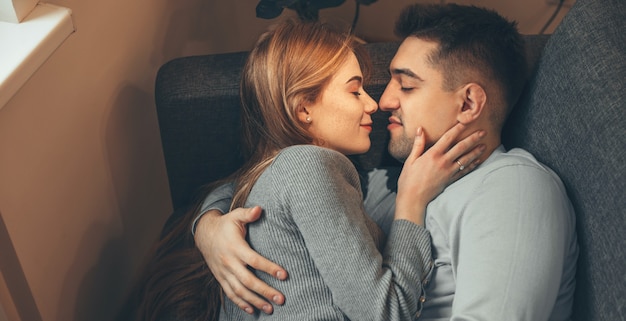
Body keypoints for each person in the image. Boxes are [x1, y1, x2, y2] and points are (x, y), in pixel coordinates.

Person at [195, 3, 579, 321]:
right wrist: (209, 229)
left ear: (468, 104)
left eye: (407, 85)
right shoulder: (380, 182)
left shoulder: (511, 190)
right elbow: (262, 183)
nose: (383, 101)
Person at [125, 18, 486, 321]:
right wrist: (411, 201)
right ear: (303, 109)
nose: (374, 104)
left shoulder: (273, 177)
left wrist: (206, 222)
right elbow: (386, 312)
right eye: (355, 91)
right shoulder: (307, 167)